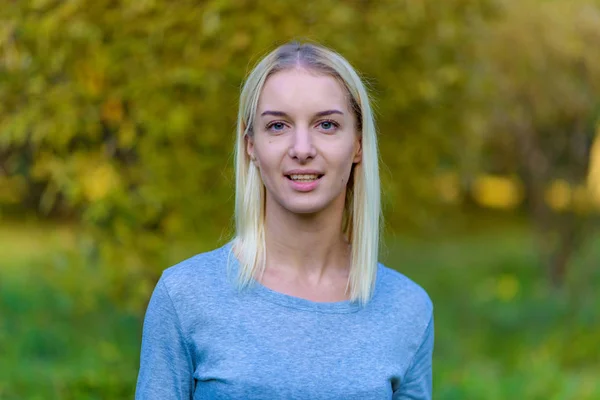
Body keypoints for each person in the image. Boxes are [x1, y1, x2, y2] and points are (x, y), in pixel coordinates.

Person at [135, 41, 434, 400]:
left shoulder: (407, 308)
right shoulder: (184, 296)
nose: (302, 148)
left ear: (357, 144)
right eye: (278, 126)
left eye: (326, 124)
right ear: (251, 145)